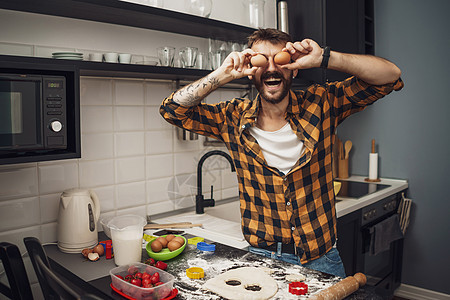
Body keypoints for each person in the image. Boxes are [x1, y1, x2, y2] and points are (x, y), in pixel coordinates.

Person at [160, 28, 403, 277]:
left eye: (281, 59)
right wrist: (223, 74)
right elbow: (171, 110)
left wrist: (325, 58)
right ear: (251, 70)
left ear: (294, 67)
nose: (272, 68)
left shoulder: (322, 103)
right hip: (260, 260)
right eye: (261, 60)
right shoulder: (231, 117)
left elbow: (390, 76)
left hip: (320, 259)